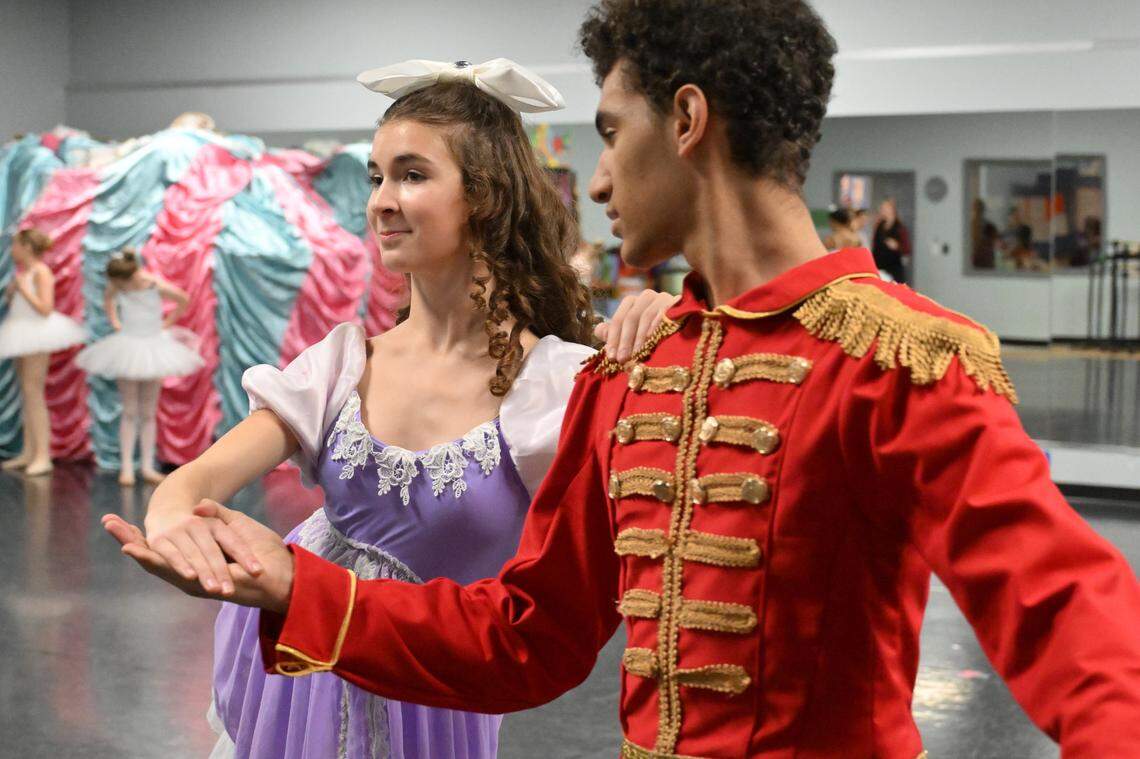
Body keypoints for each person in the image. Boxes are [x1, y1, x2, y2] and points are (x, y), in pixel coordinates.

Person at [107, 1, 1140, 756]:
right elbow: (529, 640)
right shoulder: (633, 378)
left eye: (609, 133)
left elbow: (1066, 613)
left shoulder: (900, 359)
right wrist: (299, 586)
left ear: (685, 122)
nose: (595, 180)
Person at [108, 60, 672, 759]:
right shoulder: (346, 363)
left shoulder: (556, 385)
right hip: (296, 680)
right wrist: (172, 525)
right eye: (376, 176)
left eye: (411, 174)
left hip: (429, 696)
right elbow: (194, 482)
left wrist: (670, 322)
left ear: (487, 197)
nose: (379, 200)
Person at [76, 248, 201, 485]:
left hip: (153, 345)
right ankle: (127, 468)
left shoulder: (153, 284)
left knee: (148, 410)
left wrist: (167, 323)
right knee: (130, 409)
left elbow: (183, 299)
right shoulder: (117, 286)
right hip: (128, 346)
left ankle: (146, 466)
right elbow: (109, 301)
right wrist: (115, 322)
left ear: (128, 275)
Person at [0, 228, 86, 476]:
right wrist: (13, 292)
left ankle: (43, 455)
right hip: (20, 332)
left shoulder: (41, 272)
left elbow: (46, 308)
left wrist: (23, 290)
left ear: (27, 247)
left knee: (33, 392)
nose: (13, 250)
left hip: (37, 333)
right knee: (25, 394)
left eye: (16, 245)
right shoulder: (24, 273)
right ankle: (29, 450)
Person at [872, 197, 911, 283]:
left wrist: (897, 246)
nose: (883, 210)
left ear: (892, 210)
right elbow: (875, 246)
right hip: (879, 266)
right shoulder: (879, 226)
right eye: (882, 208)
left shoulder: (900, 228)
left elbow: (907, 249)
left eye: (886, 208)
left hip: (894, 268)